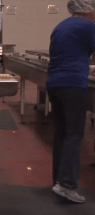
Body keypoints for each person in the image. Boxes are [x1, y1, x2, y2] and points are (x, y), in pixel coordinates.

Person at [47, 0, 95, 203]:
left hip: (55, 83)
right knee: (75, 134)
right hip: (73, 84)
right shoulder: (87, 26)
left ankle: (58, 181)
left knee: (63, 133)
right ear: (87, 8)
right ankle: (67, 185)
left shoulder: (62, 25)